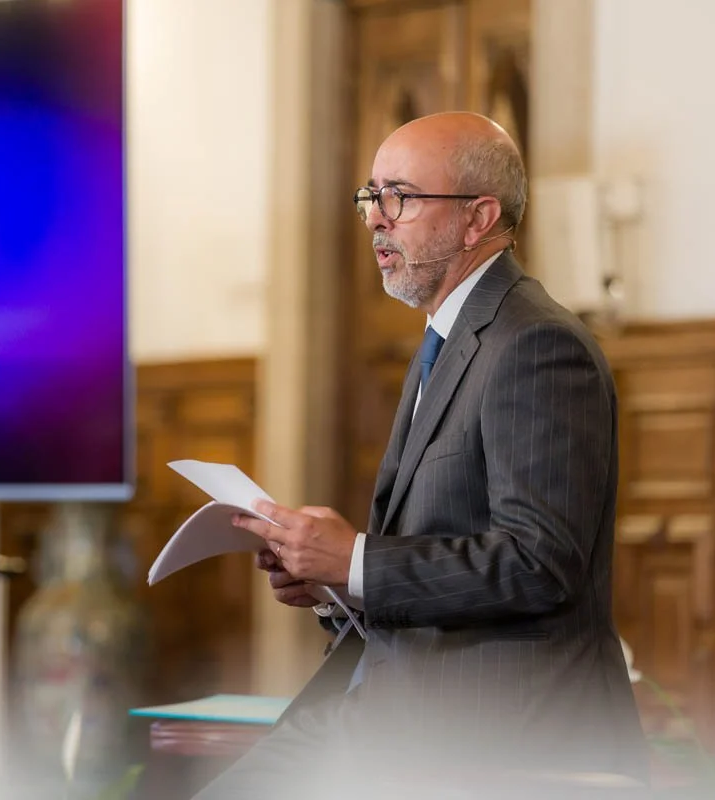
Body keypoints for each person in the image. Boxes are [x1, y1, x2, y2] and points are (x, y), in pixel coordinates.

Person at [192, 112, 648, 798]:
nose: (376, 218)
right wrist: (338, 587)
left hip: (493, 733)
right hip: (394, 710)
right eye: (371, 196)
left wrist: (355, 560)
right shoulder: (447, 338)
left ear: (477, 218)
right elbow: (447, 548)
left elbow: (540, 563)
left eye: (400, 197)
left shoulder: (537, 345)